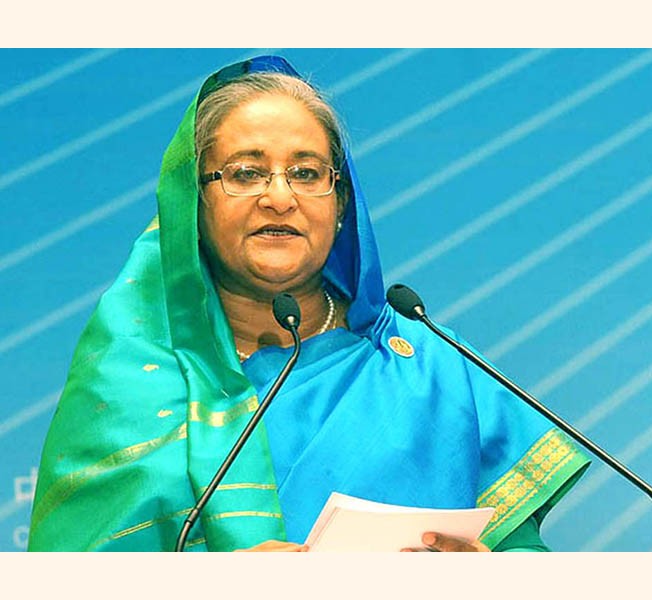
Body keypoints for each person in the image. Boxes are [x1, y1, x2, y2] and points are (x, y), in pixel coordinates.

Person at [27, 55, 590, 552]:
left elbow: (522, 559)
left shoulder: (431, 367)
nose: (279, 197)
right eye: (246, 173)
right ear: (193, 203)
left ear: (341, 202)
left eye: (305, 172)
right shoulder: (129, 381)